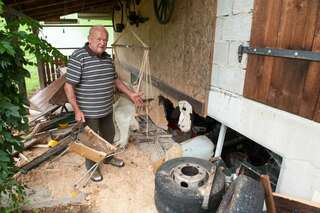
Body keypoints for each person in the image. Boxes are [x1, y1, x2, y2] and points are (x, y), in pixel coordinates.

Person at [64, 26, 143, 182]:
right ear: (90, 39)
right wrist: (76, 110)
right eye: (98, 39)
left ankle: (108, 158)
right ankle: (92, 168)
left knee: (109, 135)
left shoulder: (107, 58)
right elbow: (68, 86)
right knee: (91, 142)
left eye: (105, 40)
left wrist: (131, 94)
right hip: (88, 112)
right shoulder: (78, 57)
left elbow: (116, 81)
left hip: (106, 108)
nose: (102, 42)